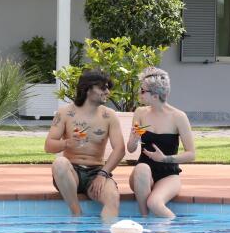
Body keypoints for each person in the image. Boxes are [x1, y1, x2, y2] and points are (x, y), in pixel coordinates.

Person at [45, 69, 125, 219]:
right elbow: (48, 146)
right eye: (103, 88)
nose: (107, 92)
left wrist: (103, 174)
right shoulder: (65, 113)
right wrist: (67, 143)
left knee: (113, 198)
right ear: (88, 89)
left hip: (96, 172)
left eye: (108, 88)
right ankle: (77, 214)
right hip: (71, 172)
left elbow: (120, 149)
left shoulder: (109, 116)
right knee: (60, 163)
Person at [127, 67, 195, 218]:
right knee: (142, 168)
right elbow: (130, 149)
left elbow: (191, 154)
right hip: (142, 175)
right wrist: (134, 138)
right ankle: (144, 219)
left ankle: (176, 229)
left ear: (155, 96)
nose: (139, 93)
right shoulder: (140, 113)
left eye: (142, 91)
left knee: (155, 203)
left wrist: (164, 158)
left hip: (168, 174)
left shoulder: (178, 117)